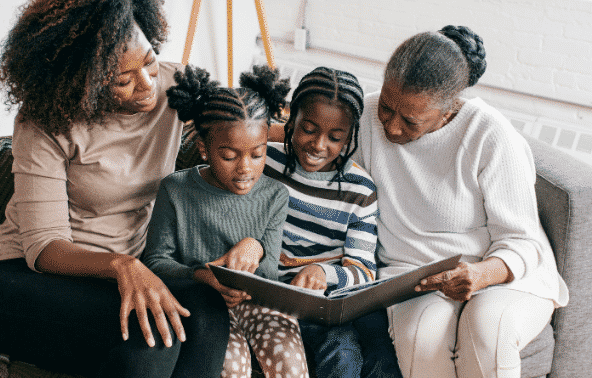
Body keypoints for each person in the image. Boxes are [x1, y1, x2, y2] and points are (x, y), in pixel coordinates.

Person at [0, 1, 230, 377]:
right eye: (124, 80)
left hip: (117, 277)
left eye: (150, 61)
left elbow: (245, 120)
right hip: (23, 279)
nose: (147, 84)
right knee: (151, 333)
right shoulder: (47, 121)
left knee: (206, 310)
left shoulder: (181, 89)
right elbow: (43, 247)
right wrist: (123, 266)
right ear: (83, 81)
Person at [351, 25, 569, 378]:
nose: (391, 127)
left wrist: (482, 274)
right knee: (420, 339)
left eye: (410, 120)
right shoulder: (368, 114)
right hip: (414, 276)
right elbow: (309, 140)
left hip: (502, 271)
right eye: (388, 109)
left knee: (487, 330)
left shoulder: (489, 134)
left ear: (450, 109)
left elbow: (524, 241)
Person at [140, 65, 310, 378]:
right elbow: (155, 262)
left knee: (288, 360)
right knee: (230, 366)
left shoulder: (274, 195)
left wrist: (254, 246)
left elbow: (271, 271)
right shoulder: (175, 190)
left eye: (257, 154)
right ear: (204, 149)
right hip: (203, 303)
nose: (245, 167)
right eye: (230, 156)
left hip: (259, 303)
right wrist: (203, 275)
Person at [263, 66, 402, 378]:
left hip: (320, 303)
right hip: (266, 291)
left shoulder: (359, 190)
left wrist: (323, 273)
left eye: (335, 137)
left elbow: (364, 272)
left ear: (349, 137)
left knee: (349, 352)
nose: (318, 145)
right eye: (308, 129)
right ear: (291, 118)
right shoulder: (263, 161)